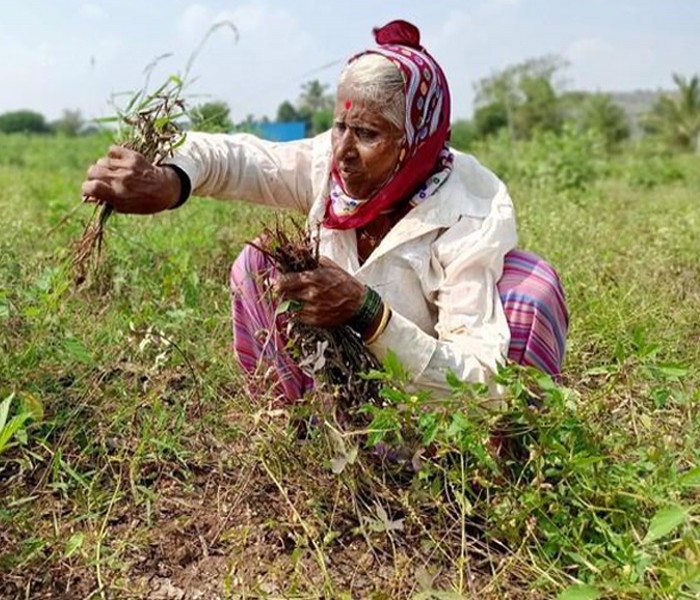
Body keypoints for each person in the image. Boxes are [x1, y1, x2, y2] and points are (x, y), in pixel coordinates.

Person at [81, 19, 568, 403]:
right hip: (344, 385)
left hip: (435, 405)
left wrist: (367, 313)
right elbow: (234, 157)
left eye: (369, 134)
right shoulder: (331, 167)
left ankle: (495, 470)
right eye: (340, 126)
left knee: (529, 289)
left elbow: (480, 381)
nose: (343, 151)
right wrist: (169, 181)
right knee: (259, 264)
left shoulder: (468, 209)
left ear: (415, 140)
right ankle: (299, 431)